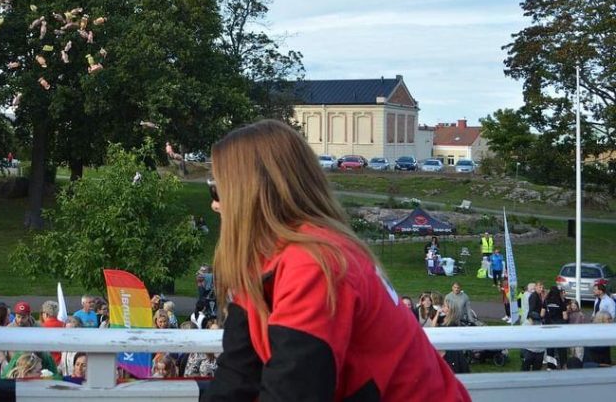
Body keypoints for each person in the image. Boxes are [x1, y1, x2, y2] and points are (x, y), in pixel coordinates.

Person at [201, 120, 470, 401]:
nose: (215, 204)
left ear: (252, 192)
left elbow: (294, 392)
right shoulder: (268, 263)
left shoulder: (314, 264)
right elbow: (237, 375)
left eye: (218, 189)